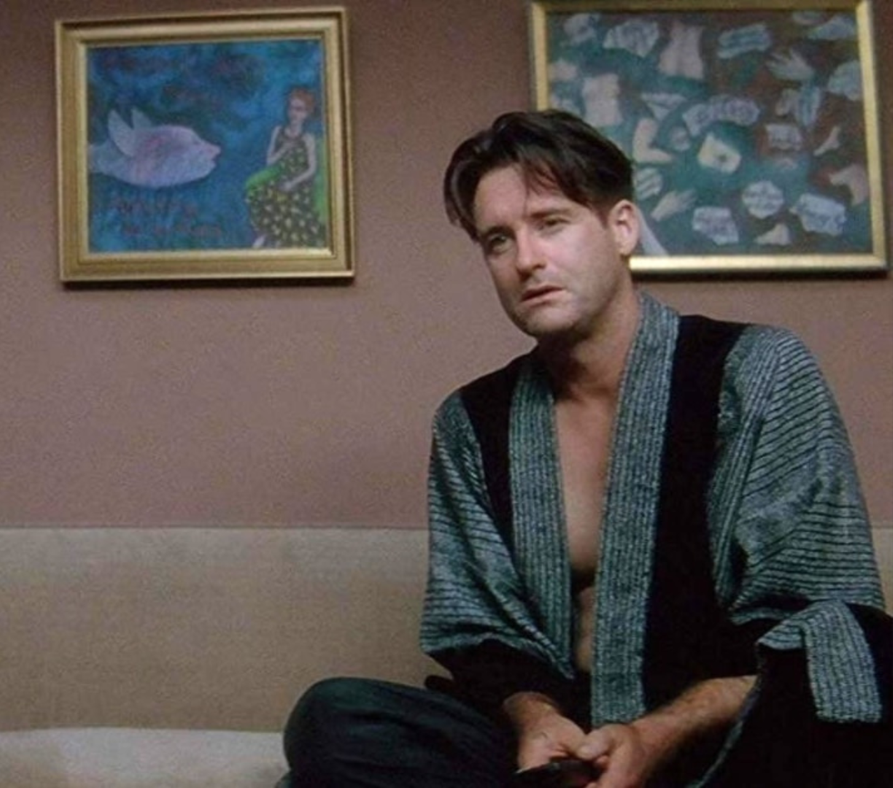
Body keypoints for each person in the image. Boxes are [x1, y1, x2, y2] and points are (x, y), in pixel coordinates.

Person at [282, 110, 892, 786]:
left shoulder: (757, 373)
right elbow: (480, 633)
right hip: (563, 745)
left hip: (729, 740)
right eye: (498, 240)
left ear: (621, 227)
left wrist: (657, 733)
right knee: (334, 721)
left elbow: (818, 619)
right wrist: (537, 719)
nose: (526, 259)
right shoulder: (471, 422)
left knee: (851, 696)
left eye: (550, 223)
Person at [245, 86, 328, 249]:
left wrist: (293, 182)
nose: (294, 113)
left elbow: (311, 169)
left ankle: (274, 240)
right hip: (281, 179)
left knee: (290, 205)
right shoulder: (278, 131)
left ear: (307, 113)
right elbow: (269, 162)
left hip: (300, 183)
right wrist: (284, 149)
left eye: (299, 109)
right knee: (261, 192)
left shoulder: (307, 138)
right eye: (291, 108)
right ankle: (264, 235)